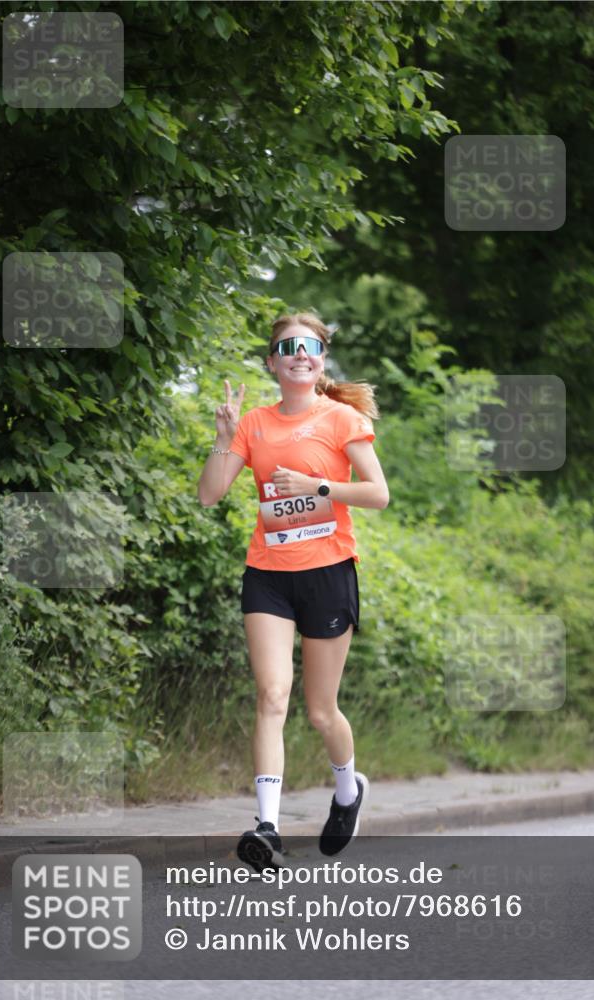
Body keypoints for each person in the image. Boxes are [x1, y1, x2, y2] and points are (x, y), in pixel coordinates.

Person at [197, 312, 390, 873]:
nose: (299, 354)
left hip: (328, 572)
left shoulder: (341, 418)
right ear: (272, 363)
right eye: (288, 347)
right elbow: (210, 495)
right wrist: (222, 437)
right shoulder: (253, 423)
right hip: (269, 576)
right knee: (272, 695)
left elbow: (378, 494)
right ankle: (267, 828)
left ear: (320, 360)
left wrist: (318, 486)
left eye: (309, 346)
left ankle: (348, 792)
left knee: (321, 711)